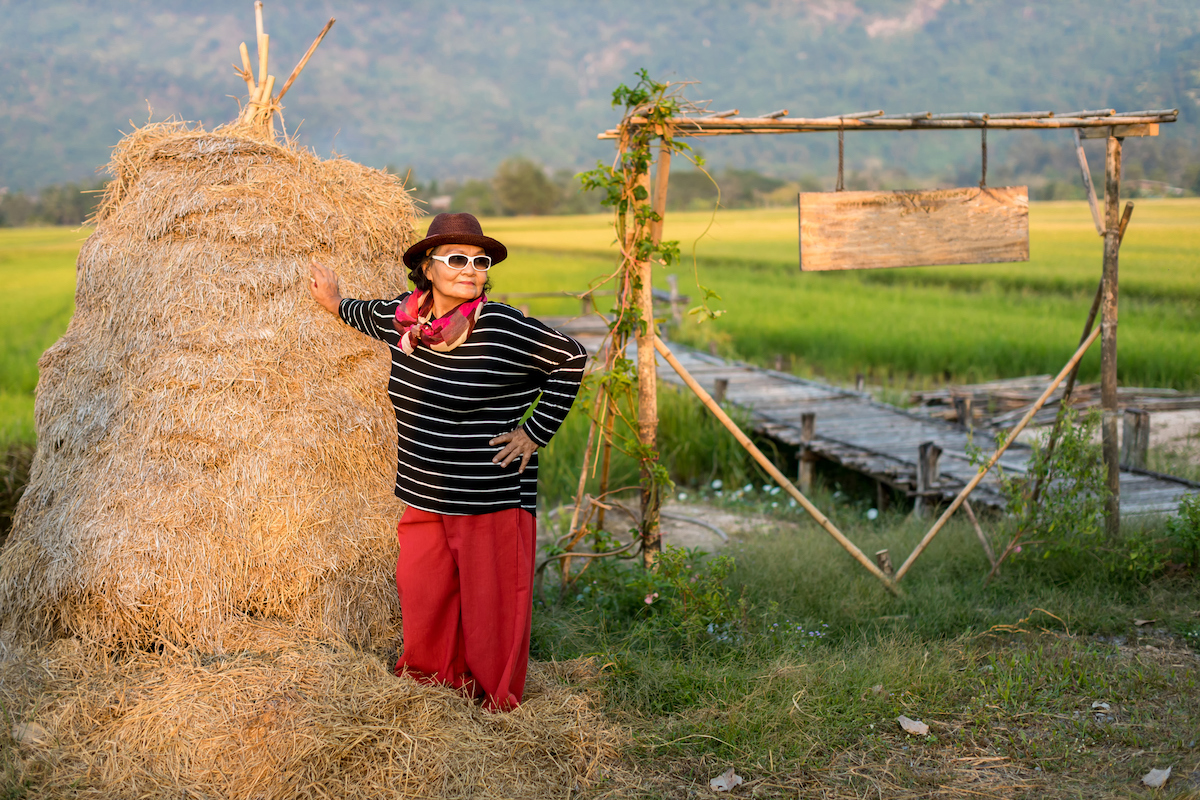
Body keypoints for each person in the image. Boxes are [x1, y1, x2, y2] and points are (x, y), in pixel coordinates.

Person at [308, 212, 587, 711]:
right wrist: (332, 302)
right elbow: (359, 311)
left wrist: (533, 432)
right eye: (457, 259)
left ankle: (495, 699)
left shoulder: (500, 326)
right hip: (423, 489)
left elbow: (571, 359)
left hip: (487, 492)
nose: (470, 269)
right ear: (428, 268)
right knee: (424, 592)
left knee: (490, 605)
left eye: (479, 262)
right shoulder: (404, 319)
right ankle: (432, 682)